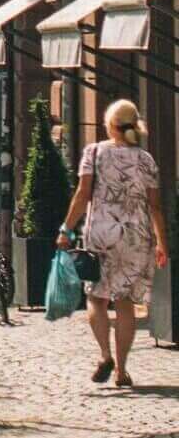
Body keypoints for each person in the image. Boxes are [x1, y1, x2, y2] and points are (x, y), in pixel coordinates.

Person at [58, 98, 170, 389]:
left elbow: (82, 195)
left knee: (96, 297)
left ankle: (105, 355)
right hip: (136, 236)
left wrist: (66, 229)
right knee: (125, 302)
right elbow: (156, 206)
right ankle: (121, 370)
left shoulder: (93, 152)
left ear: (109, 124)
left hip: (102, 234)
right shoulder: (146, 160)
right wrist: (162, 243)